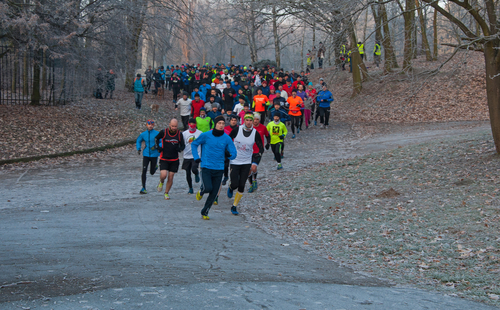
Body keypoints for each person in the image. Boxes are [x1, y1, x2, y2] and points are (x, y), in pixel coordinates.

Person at [192, 115, 237, 220]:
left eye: (223, 124)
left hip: (219, 168)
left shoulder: (227, 138)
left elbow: (234, 153)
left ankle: (205, 211)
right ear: (215, 124)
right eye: (219, 123)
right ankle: (202, 190)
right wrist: (196, 157)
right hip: (206, 166)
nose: (221, 125)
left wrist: (229, 154)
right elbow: (194, 144)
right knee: (208, 188)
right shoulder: (206, 135)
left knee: (214, 193)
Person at [227, 113, 264, 215]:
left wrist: (257, 156)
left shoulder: (255, 133)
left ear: (252, 121)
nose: (248, 122)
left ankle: (234, 206)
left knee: (242, 185)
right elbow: (228, 140)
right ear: (244, 120)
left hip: (246, 162)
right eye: (247, 120)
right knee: (235, 184)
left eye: (250, 120)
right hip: (235, 160)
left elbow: (261, 147)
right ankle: (230, 187)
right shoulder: (237, 130)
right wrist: (229, 151)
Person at [155, 119, 185, 200]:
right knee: (164, 175)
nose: (174, 128)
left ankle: (166, 193)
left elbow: (183, 145)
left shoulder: (179, 134)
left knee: (171, 177)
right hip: (164, 157)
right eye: (172, 126)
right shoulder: (164, 132)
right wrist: (158, 147)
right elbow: (156, 138)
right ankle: (161, 182)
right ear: (169, 125)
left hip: (174, 159)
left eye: (175, 126)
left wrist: (180, 149)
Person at [247, 113, 270, 193]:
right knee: (248, 169)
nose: (255, 121)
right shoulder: (247, 128)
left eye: (257, 119)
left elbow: (267, 135)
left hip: (258, 151)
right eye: (254, 119)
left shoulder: (263, 127)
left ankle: (254, 179)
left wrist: (268, 144)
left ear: (259, 120)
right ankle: (250, 185)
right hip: (248, 151)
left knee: (253, 167)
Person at [136, 120, 160, 194]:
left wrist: (157, 146)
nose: (150, 126)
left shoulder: (157, 133)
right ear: (146, 125)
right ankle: (143, 187)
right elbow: (138, 140)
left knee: (152, 172)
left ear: (154, 125)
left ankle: (155, 167)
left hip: (154, 154)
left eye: (152, 125)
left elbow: (161, 141)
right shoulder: (143, 134)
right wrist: (138, 148)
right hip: (146, 154)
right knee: (144, 170)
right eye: (149, 124)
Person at [182, 118, 202, 194]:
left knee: (194, 168)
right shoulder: (184, 134)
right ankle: (190, 188)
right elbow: (182, 143)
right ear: (188, 124)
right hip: (187, 155)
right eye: (191, 124)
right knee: (187, 173)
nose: (192, 126)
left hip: (196, 155)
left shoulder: (200, 133)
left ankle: (196, 173)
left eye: (193, 124)